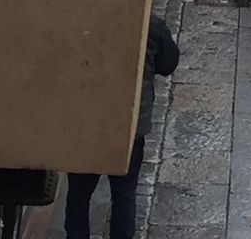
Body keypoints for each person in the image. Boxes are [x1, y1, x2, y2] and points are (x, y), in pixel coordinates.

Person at [64, 13, 179, 239]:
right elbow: (168, 64)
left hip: (87, 122)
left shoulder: (83, 16)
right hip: (130, 125)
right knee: (124, 194)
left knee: (78, 195)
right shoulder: (150, 23)